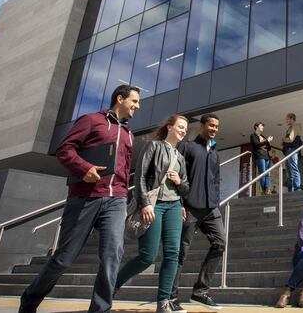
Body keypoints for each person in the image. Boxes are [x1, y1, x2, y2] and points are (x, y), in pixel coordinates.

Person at [19, 85, 140, 313]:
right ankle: (29, 301)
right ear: (120, 98)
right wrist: (84, 168)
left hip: (116, 200)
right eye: (134, 101)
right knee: (64, 258)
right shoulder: (91, 120)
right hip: (85, 198)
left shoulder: (128, 134)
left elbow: (124, 169)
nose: (137, 106)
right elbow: (65, 149)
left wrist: (125, 195)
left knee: (112, 255)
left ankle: (100, 309)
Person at [115, 115, 190, 313]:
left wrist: (179, 183)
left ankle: (163, 301)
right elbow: (139, 177)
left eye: (185, 128)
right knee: (147, 256)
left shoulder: (180, 157)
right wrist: (145, 204)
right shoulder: (154, 147)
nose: (184, 131)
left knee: (173, 254)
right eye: (180, 127)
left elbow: (186, 188)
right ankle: (113, 284)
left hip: (174, 206)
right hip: (154, 205)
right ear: (170, 127)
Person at [170, 113, 225, 311]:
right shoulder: (188, 147)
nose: (214, 129)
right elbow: (175, 175)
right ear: (202, 126)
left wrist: (215, 201)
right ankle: (170, 297)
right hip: (189, 207)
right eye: (211, 125)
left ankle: (200, 292)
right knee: (180, 252)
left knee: (220, 243)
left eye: (217, 126)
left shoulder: (215, 153)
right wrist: (180, 203)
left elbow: (216, 180)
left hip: (210, 208)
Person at [250, 122, 273, 195]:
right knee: (263, 173)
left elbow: (269, 148)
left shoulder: (263, 136)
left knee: (268, 174)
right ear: (256, 127)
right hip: (260, 156)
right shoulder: (253, 135)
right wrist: (266, 142)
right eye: (261, 126)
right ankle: (264, 190)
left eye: (263, 126)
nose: (263, 127)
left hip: (266, 156)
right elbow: (256, 144)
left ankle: (267, 189)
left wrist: (266, 142)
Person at [282, 113, 303, 192]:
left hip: (292, 150)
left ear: (292, 119)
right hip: (288, 150)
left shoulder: (296, 126)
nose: (286, 121)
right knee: (289, 171)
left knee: (294, 169)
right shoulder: (290, 128)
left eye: (287, 119)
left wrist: (283, 139)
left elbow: (291, 139)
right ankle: (290, 189)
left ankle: (297, 188)